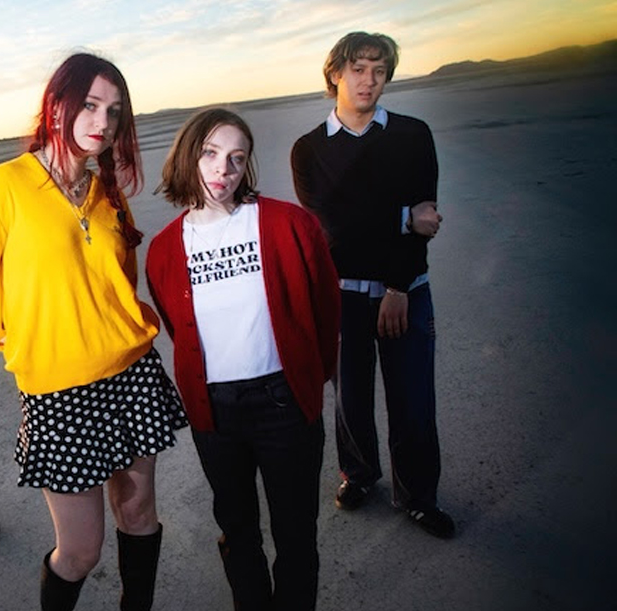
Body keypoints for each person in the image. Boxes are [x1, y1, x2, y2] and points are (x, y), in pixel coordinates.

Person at [0, 53, 187, 611]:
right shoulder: (3, 186)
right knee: (81, 550)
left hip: (130, 376)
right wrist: (22, 342)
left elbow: (119, 282)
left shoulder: (106, 191)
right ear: (56, 104)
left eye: (113, 110)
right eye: (88, 105)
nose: (102, 122)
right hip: (60, 393)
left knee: (138, 513)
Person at [145, 108, 340, 610]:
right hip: (216, 412)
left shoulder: (287, 223)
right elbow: (178, 327)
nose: (222, 170)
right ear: (189, 157)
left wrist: (312, 381)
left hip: (285, 402)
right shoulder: (166, 250)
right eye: (210, 154)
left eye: (236, 159)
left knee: (296, 532)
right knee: (237, 530)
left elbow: (324, 307)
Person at [290, 32, 454, 538]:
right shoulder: (309, 151)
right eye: (358, 68)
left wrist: (399, 286)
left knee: (413, 400)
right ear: (335, 73)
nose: (369, 80)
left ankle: (418, 497)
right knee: (351, 400)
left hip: (406, 289)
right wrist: (404, 216)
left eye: (380, 70)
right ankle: (358, 475)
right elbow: (333, 226)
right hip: (342, 295)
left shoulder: (413, 134)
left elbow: (427, 216)